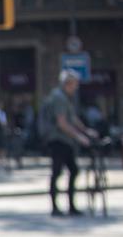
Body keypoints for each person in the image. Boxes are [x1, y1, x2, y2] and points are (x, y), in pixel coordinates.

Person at [39, 70, 99, 216]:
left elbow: (72, 118)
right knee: (58, 172)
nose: (76, 87)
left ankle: (70, 206)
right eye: (74, 84)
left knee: (72, 170)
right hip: (58, 140)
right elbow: (62, 123)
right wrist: (80, 137)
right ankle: (56, 207)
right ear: (68, 84)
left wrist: (86, 131)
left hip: (65, 140)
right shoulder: (59, 98)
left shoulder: (66, 97)